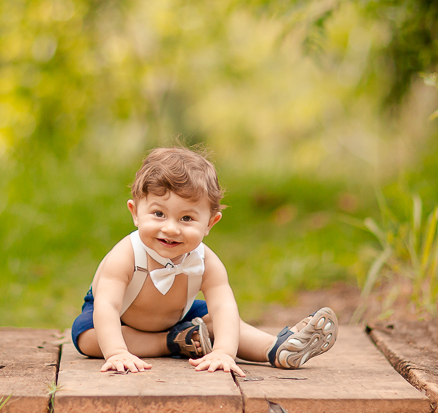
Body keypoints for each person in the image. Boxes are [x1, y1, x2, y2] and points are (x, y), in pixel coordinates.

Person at [71, 146, 338, 375]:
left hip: (179, 314)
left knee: (221, 322)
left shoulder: (207, 261)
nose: (172, 228)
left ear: (210, 223)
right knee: (87, 337)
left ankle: (275, 348)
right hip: (120, 320)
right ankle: (173, 342)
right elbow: (107, 305)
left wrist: (223, 352)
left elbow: (224, 305)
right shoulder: (125, 255)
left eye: (186, 218)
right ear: (136, 213)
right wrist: (116, 352)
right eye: (158, 214)